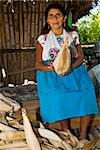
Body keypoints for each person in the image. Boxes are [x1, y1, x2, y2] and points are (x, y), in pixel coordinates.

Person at [35, 3, 98, 140]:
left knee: (87, 93)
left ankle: (82, 135)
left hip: (74, 70)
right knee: (58, 95)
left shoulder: (73, 35)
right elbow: (37, 64)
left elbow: (80, 57)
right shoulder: (43, 40)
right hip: (52, 75)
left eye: (58, 15)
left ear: (64, 18)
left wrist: (70, 66)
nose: (55, 18)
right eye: (51, 16)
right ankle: (67, 131)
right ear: (47, 20)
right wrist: (51, 68)